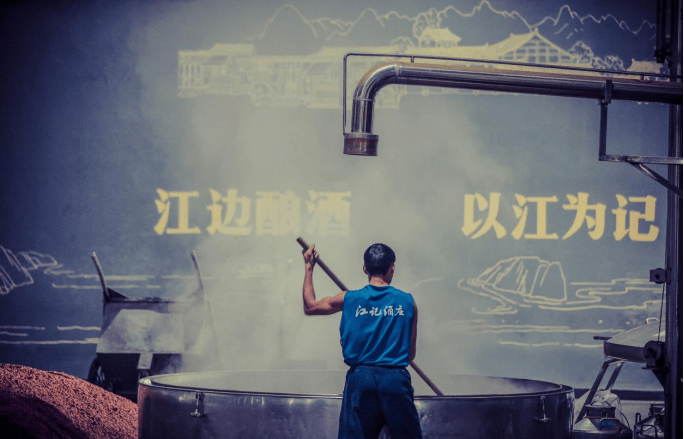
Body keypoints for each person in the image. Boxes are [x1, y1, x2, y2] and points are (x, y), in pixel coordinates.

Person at [302, 242, 422, 439]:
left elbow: (310, 307)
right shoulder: (408, 302)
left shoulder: (348, 299)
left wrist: (309, 267)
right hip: (396, 381)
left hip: (360, 380)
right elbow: (410, 354)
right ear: (392, 267)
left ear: (365, 268)